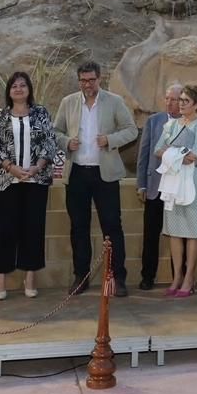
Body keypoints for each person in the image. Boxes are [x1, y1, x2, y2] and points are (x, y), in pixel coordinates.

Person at [57, 61, 139, 297]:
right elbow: (55, 131)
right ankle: (80, 278)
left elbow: (131, 130)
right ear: (78, 80)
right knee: (78, 227)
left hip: (105, 174)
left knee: (112, 227)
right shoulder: (69, 102)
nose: (87, 84)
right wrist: (66, 142)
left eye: (91, 80)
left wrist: (110, 140)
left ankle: (117, 279)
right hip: (77, 173)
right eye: (83, 80)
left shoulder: (114, 101)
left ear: (99, 78)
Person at [0, 71, 60, 300]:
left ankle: (30, 277)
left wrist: (36, 168)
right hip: (8, 181)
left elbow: (50, 142)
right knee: (3, 230)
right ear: (9, 91)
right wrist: (11, 168)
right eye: (14, 85)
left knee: (33, 228)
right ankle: (0, 279)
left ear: (29, 90)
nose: (18, 89)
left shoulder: (41, 113)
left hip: (35, 180)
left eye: (23, 85)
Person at [158, 84, 197, 297]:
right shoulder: (171, 125)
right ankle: (176, 276)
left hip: (192, 183)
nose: (180, 104)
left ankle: (189, 277)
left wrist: (171, 153)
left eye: (185, 101)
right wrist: (178, 153)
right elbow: (157, 149)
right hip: (172, 183)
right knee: (174, 232)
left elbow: (196, 154)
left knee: (191, 232)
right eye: (180, 100)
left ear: (196, 104)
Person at [136, 84, 184, 290]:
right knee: (150, 235)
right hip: (155, 188)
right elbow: (144, 154)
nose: (170, 103)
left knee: (179, 235)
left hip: (178, 190)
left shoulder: (190, 123)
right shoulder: (153, 121)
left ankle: (179, 278)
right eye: (167, 98)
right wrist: (141, 185)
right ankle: (147, 276)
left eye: (174, 99)